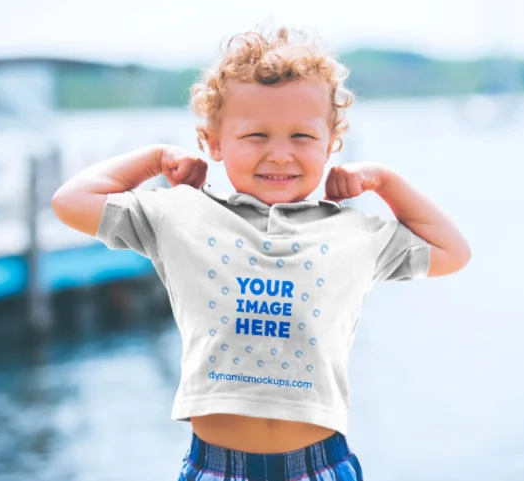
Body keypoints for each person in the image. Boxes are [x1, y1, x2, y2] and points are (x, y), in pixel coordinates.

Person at [52, 25, 471, 481]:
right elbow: (70, 202)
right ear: (213, 143)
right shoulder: (182, 215)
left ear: (331, 144)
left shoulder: (353, 231)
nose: (279, 154)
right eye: (256, 135)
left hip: (320, 464)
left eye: (301, 137)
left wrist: (386, 182)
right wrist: (154, 160)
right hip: (216, 467)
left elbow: (452, 251)